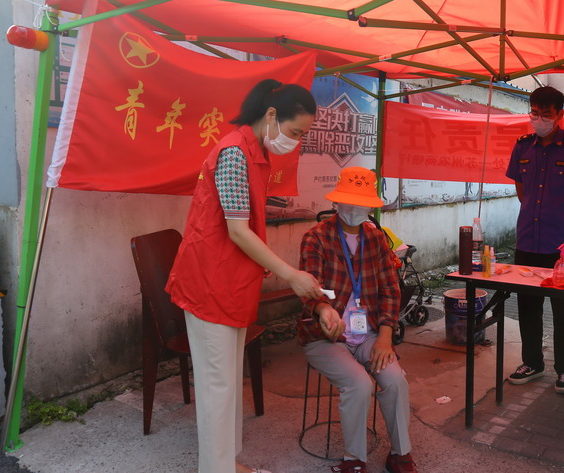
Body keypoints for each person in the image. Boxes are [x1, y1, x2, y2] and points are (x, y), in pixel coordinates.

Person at [166, 79, 324, 473]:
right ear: (271, 115)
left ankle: (226, 463)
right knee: (217, 386)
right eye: (295, 132)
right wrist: (291, 275)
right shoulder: (234, 153)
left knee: (227, 381)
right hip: (210, 283)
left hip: (231, 282)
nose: (296, 142)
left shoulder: (255, 153)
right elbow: (238, 231)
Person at [297, 167, 418, 473]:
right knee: (359, 384)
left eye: (360, 203)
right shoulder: (316, 237)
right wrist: (323, 310)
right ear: (335, 202)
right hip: (326, 337)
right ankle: (354, 460)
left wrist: (385, 337)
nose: (354, 209)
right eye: (348, 202)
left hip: (369, 334)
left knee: (395, 381)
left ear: (370, 207)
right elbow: (310, 288)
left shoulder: (376, 239)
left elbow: (390, 289)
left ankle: (400, 454)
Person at [505, 86, 564, 391]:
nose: (539, 119)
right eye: (535, 113)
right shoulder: (523, 146)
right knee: (528, 307)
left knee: (563, 308)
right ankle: (532, 362)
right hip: (527, 240)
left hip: (562, 247)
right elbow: (522, 191)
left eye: (546, 114)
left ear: (559, 114)